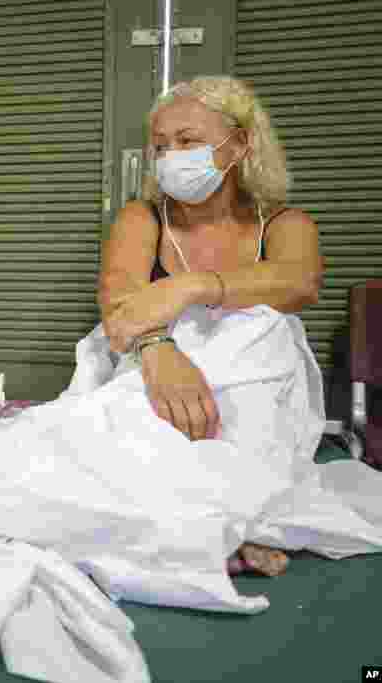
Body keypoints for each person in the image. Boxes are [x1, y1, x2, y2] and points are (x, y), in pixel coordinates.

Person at [98, 75, 323, 575]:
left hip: (253, 374)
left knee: (254, 396)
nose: (170, 156)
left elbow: (299, 284)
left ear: (239, 145)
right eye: (160, 145)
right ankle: (217, 530)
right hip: (153, 359)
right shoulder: (143, 219)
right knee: (128, 438)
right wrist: (158, 349)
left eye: (188, 141)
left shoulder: (286, 225)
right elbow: (120, 313)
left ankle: (224, 522)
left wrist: (192, 287)